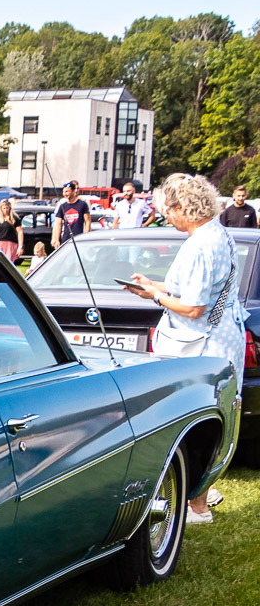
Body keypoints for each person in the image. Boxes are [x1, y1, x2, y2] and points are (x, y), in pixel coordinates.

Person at [124, 173, 244, 524]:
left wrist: (157, 296)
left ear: (184, 207)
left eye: (168, 211)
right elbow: (190, 289)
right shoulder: (216, 233)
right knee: (206, 418)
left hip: (201, 343)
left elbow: (193, 307)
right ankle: (198, 492)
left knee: (193, 419)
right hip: (218, 337)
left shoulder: (201, 245)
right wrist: (153, 286)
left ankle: (197, 504)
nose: (166, 218)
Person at [52, 181, 91, 247]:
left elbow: (87, 222)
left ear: (73, 191)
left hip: (79, 238)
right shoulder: (62, 206)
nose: (65, 194)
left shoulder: (82, 204)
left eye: (67, 191)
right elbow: (57, 223)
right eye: (64, 192)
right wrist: (56, 239)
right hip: (66, 239)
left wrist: (86, 236)